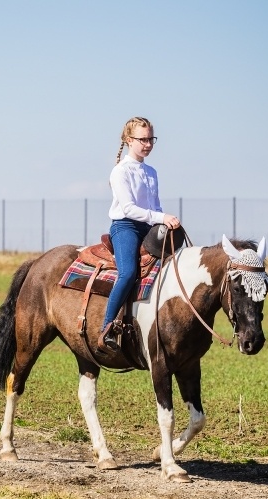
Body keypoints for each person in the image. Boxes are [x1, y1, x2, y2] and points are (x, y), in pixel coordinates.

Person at [98, 117, 180, 354]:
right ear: (128, 140)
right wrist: (161, 218)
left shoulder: (151, 171)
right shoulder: (120, 172)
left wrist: (166, 222)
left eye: (151, 139)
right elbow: (129, 209)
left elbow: (155, 206)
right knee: (128, 272)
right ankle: (107, 327)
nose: (148, 144)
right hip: (126, 227)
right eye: (142, 139)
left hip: (149, 226)